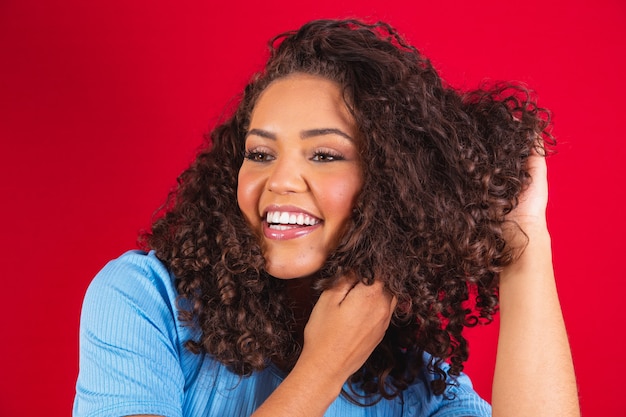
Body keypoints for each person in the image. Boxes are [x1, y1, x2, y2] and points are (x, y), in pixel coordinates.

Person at [73, 19, 580, 417]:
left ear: (393, 184)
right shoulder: (144, 298)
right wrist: (324, 367)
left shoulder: (410, 386)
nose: (281, 181)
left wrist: (524, 244)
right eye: (260, 153)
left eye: (324, 156)